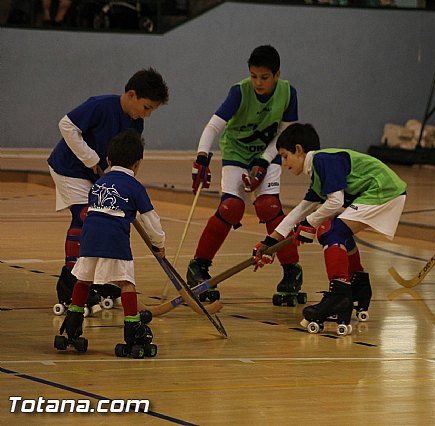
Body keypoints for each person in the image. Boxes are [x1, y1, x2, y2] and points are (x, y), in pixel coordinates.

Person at [252, 123, 407, 335]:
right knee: (337, 231)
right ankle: (358, 285)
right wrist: (269, 242)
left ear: (298, 149)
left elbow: (335, 201)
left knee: (331, 232)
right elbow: (300, 210)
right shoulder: (318, 171)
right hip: (382, 191)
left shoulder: (324, 160)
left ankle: (339, 295)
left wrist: (310, 224)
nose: (283, 162)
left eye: (285, 155)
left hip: (383, 191)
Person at [47, 68, 169, 315]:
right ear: (132, 95)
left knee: (106, 221)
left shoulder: (137, 124)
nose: (146, 114)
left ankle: (99, 280)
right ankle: (71, 281)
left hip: (98, 176)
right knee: (85, 218)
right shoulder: (101, 105)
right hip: (70, 169)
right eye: (146, 108)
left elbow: (129, 161)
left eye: (152, 111)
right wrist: (89, 157)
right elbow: (66, 125)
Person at [188, 45, 302, 303]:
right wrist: (202, 157)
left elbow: (285, 134)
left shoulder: (288, 93)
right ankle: (198, 267)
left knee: (269, 206)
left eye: (264, 77)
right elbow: (213, 126)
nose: (258, 82)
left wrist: (263, 161)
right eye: (253, 76)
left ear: (277, 75)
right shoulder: (239, 92)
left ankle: (292, 270)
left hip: (269, 153)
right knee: (230, 208)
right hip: (237, 152)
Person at [54, 129, 165, 358]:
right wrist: (159, 244)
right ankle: (133, 329)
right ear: (138, 163)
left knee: (83, 280)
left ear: (108, 160)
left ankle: (73, 324)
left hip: (89, 238)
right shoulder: (135, 187)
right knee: (126, 283)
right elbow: (151, 220)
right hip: (115, 240)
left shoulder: (99, 183)